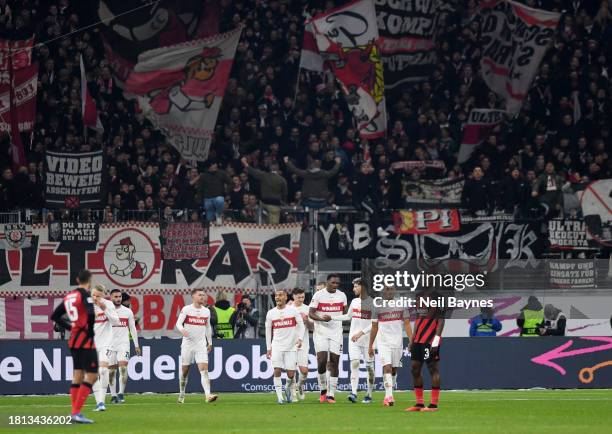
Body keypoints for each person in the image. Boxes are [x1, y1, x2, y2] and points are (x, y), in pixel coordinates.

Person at [50, 269, 99, 424]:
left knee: (78, 374)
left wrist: (71, 327)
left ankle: (74, 413)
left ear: (77, 279)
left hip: (74, 340)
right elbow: (90, 314)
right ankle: (76, 412)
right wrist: (90, 331)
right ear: (89, 281)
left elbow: (55, 316)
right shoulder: (85, 295)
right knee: (92, 374)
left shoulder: (69, 296)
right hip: (85, 340)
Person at [368, 285, 412, 407]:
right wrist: (370, 345)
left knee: (393, 369)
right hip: (383, 343)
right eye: (387, 289)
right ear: (382, 291)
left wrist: (411, 340)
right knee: (386, 367)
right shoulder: (377, 307)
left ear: (395, 291)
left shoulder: (402, 305)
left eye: (391, 289)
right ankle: (389, 396)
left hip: (397, 342)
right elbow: (374, 327)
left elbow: (407, 324)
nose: (389, 291)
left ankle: (389, 392)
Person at [333, 278, 375, 403]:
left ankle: (369, 394)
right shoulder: (355, 302)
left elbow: (375, 324)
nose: (353, 289)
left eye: (356, 286)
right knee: (355, 363)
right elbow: (348, 316)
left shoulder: (372, 303)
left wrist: (361, 333)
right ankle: (354, 392)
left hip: (368, 340)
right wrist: (332, 318)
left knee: (370, 369)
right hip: (353, 339)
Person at [308, 273, 347, 404]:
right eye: (333, 283)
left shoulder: (342, 295)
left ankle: (331, 394)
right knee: (322, 361)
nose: (335, 285)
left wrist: (335, 318)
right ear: (327, 282)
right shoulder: (318, 295)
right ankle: (323, 390)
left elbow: (345, 314)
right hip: (321, 332)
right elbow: (311, 313)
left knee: (335, 361)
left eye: (337, 283)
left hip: (337, 333)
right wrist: (322, 319)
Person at [175, 288, 218, 404]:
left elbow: (208, 327)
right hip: (188, 344)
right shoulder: (187, 309)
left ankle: (208, 395)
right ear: (193, 297)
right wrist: (182, 330)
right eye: (200, 295)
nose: (202, 297)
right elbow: (178, 323)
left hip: (200, 345)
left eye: (203, 295)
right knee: (185, 371)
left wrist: (210, 342)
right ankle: (181, 394)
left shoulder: (206, 311)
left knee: (204, 370)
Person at [406, 290, 446, 412]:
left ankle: (433, 405)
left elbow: (441, 321)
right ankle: (419, 403)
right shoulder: (419, 298)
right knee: (415, 368)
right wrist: (412, 340)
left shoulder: (436, 298)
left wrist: (436, 340)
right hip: (418, 341)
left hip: (430, 341)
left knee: (432, 369)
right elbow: (418, 321)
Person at [265, 289, 305, 404]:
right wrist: (269, 348)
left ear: (286, 297)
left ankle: (287, 388)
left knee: (291, 374)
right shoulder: (271, 313)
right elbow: (268, 332)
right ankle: (279, 397)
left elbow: (301, 325)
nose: (278, 297)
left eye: (281, 295)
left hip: (291, 346)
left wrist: (300, 339)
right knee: (277, 370)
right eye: (276, 295)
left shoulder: (293, 311)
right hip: (277, 345)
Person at [108, 289, 140, 404]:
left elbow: (133, 328)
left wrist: (136, 345)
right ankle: (113, 395)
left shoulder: (127, 312)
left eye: (119, 297)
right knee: (111, 372)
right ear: (110, 298)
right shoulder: (106, 311)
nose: (118, 299)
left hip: (123, 344)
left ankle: (121, 393)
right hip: (109, 345)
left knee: (123, 368)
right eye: (115, 297)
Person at [91, 284, 119, 412]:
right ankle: (99, 403)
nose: (95, 297)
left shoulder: (108, 304)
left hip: (106, 342)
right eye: (93, 295)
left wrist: (104, 309)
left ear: (102, 296)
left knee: (103, 371)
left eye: (98, 295)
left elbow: (116, 321)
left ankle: (102, 402)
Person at [241, 157, 287, 224]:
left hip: (263, 205)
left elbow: (252, 171)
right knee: (273, 228)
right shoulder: (282, 180)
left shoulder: (264, 175)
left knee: (263, 226)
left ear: (270, 168)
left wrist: (245, 163)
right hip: (275, 206)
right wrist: (282, 203)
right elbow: (285, 194)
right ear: (278, 168)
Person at [352, 161, 390, 237]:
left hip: (367, 199)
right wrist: (357, 203)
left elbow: (372, 191)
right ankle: (379, 229)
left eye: (367, 167)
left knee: (378, 208)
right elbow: (355, 193)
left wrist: (378, 201)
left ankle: (377, 230)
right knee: (372, 209)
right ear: (360, 168)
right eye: (364, 167)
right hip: (360, 200)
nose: (366, 168)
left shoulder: (369, 177)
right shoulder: (357, 177)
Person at [290, 288, 313, 400]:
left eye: (302, 297)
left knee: (304, 371)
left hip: (303, 343)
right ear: (293, 296)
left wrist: (307, 320)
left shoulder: (307, 309)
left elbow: (312, 327)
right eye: (298, 297)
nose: (301, 299)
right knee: (291, 369)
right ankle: (293, 392)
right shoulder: (288, 309)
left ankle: (300, 386)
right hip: (290, 343)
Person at [195, 160, 231, 225]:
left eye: (215, 164)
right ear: (209, 167)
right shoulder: (203, 176)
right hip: (208, 200)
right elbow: (200, 189)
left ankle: (219, 215)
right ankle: (211, 233)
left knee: (219, 200)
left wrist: (226, 191)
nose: (215, 165)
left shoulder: (222, 173)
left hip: (218, 197)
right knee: (209, 221)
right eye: (213, 164)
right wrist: (199, 201)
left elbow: (231, 183)